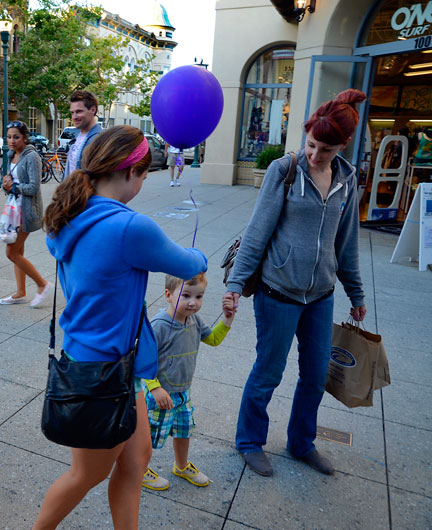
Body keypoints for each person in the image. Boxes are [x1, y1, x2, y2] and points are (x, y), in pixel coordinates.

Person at [33, 126, 207, 529]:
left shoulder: (73, 215)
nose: (144, 183)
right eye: (145, 175)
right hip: (103, 371)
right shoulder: (130, 227)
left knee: (136, 458)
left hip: (107, 362)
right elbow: (190, 265)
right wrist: (198, 253)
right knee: (87, 474)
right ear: (130, 173)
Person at [224, 89, 368, 478]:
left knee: (315, 374)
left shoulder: (348, 179)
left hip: (320, 295)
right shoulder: (284, 171)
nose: (315, 155)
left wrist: (355, 292)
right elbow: (256, 233)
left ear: (344, 144)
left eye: (325, 148)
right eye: (310, 144)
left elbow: (346, 241)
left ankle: (302, 442)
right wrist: (235, 285)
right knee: (269, 371)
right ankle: (249, 441)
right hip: (278, 291)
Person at [141, 273, 235, 491]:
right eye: (186, 296)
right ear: (168, 295)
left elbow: (212, 339)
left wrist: (227, 319)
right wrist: (154, 388)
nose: (193, 302)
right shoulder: (158, 326)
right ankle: (138, 469)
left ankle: (181, 466)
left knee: (184, 431)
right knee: (149, 435)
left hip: (183, 393)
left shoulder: (194, 320)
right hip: (161, 395)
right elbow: (143, 360)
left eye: (199, 296)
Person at [0, 120, 52, 307]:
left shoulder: (32, 157)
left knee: (11, 252)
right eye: (9, 137)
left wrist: (14, 186)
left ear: (25, 137)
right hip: (13, 210)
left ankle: (42, 284)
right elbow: (9, 185)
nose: (12, 141)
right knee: (18, 251)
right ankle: (21, 292)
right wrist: (6, 186)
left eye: (16, 137)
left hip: (27, 211)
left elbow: (34, 187)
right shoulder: (11, 155)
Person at [63, 90, 103, 179]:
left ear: (93, 110)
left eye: (79, 111)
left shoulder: (98, 140)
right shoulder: (79, 137)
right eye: (72, 113)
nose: (74, 117)